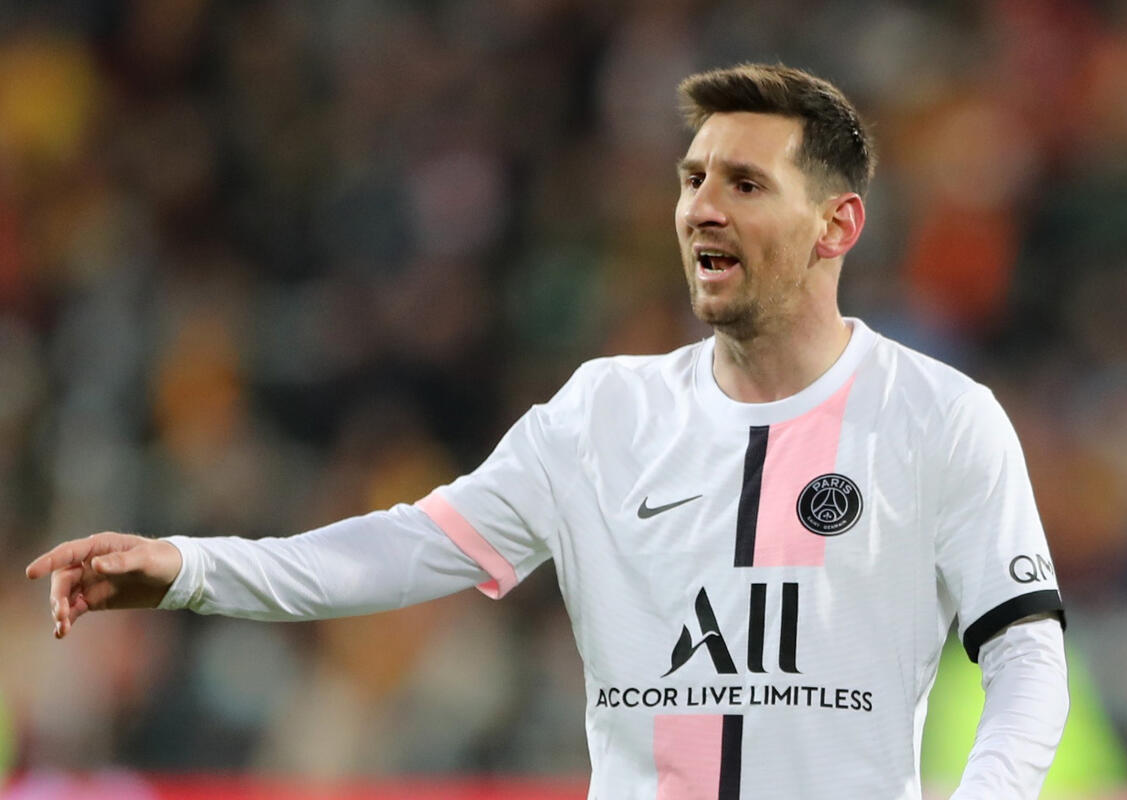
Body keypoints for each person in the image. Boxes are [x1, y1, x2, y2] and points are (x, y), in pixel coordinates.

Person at [26, 63, 1068, 799]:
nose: (701, 208)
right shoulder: (602, 415)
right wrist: (189, 567)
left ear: (837, 225)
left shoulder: (939, 418)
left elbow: (1026, 656)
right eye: (692, 179)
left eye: (745, 184)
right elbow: (404, 547)